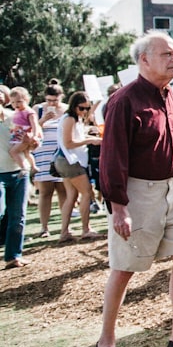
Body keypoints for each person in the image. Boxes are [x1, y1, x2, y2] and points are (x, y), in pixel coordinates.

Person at [97, 32, 173, 347]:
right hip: (136, 194)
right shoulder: (123, 100)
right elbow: (111, 157)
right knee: (124, 267)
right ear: (143, 60)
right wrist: (119, 208)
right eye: (166, 54)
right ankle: (106, 340)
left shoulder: (169, 96)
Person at [54, 91, 102, 242]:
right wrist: (90, 141)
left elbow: (77, 139)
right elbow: (69, 143)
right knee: (87, 192)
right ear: (74, 106)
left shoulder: (75, 119)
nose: (85, 111)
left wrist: (92, 138)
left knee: (72, 196)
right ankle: (85, 229)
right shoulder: (69, 119)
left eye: (87, 108)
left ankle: (64, 231)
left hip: (66, 161)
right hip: (70, 161)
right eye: (82, 108)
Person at [31, 83, 67, 238]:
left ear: (61, 97)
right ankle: (44, 228)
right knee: (45, 192)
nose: (52, 103)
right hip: (43, 154)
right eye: (49, 100)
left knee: (63, 190)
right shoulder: (37, 109)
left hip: (61, 153)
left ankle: (65, 226)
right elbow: (32, 130)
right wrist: (43, 120)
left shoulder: (66, 109)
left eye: (55, 100)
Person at [1, 90, 31, 269]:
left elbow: (33, 140)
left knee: (18, 215)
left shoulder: (16, 116)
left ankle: (13, 256)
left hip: (19, 171)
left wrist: (31, 142)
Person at [7, 87, 41, 173]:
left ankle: (24, 167)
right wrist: (14, 129)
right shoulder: (16, 111)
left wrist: (35, 136)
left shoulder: (29, 112)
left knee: (13, 151)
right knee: (26, 152)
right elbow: (18, 124)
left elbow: (35, 125)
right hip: (19, 134)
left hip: (26, 135)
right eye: (13, 102)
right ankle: (33, 166)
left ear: (26, 100)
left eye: (19, 101)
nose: (16, 104)